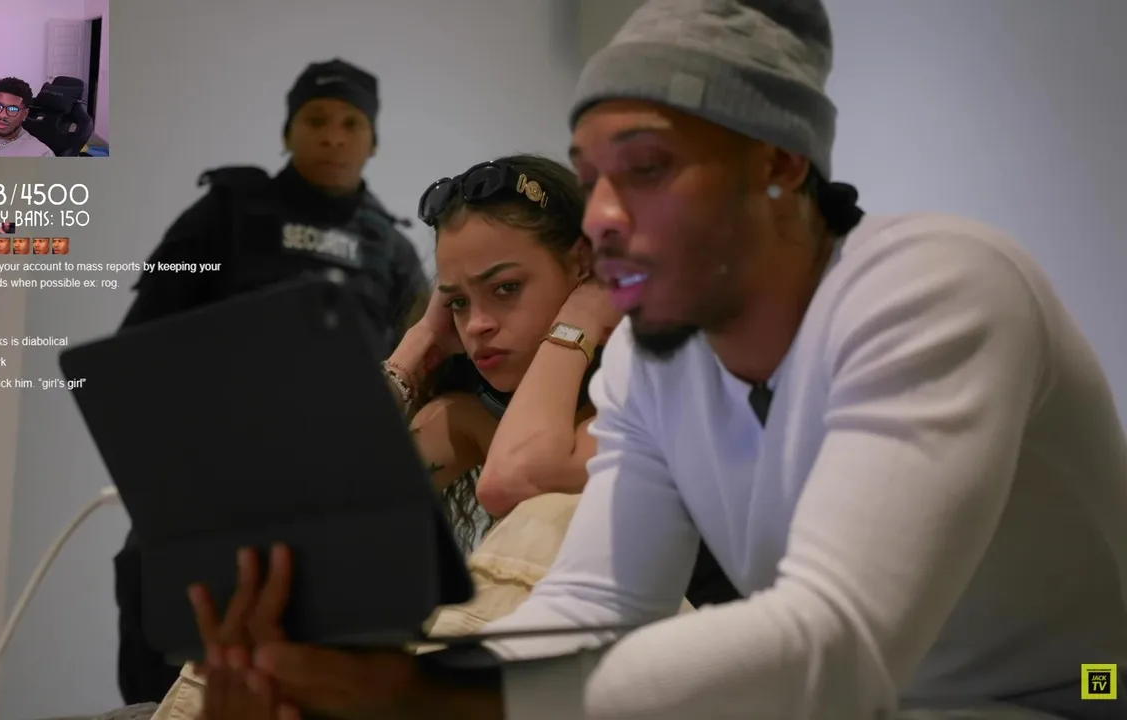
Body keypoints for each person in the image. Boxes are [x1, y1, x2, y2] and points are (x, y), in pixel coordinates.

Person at [188, 0, 1127, 718]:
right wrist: (357, 683)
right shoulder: (653, 355)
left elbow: (834, 643)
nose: (600, 215)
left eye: (645, 169)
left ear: (781, 163)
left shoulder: (935, 287)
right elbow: (595, 610)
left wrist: (426, 698)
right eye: (591, 177)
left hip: (1074, 693)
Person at [150, 154, 673, 720]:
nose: (477, 325)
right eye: (459, 302)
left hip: (654, 674)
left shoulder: (652, 392)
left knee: (549, 514)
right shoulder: (471, 419)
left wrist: (582, 317)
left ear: (582, 266)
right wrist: (418, 344)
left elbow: (513, 479)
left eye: (505, 288)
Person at [115, 57, 430, 706]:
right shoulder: (226, 213)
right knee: (165, 691)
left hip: (327, 509)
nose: (333, 136)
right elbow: (136, 354)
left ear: (373, 141)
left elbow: (421, 377)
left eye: (351, 123)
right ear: (288, 132)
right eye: (316, 120)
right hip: (202, 496)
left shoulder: (393, 253)